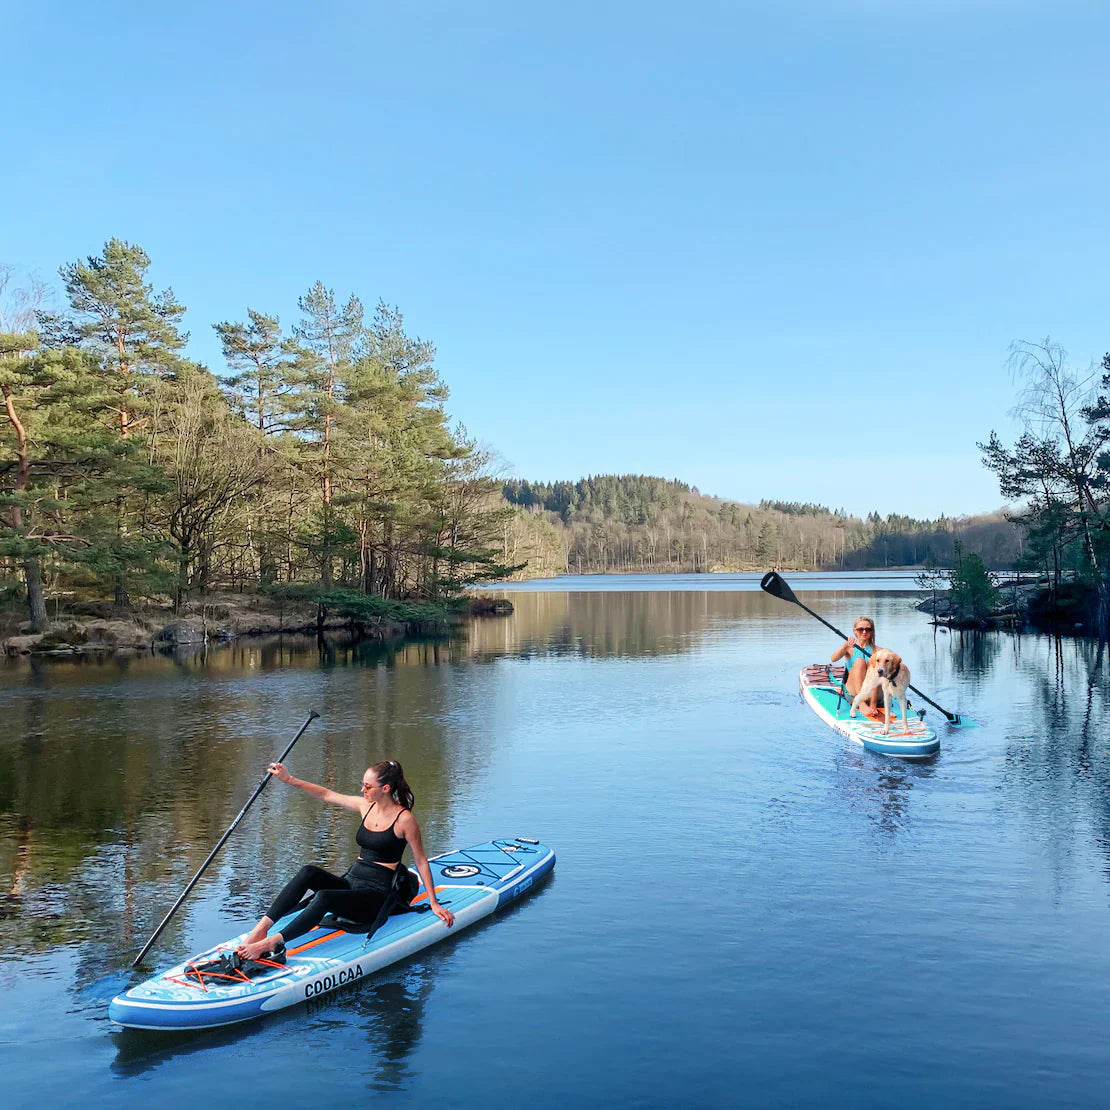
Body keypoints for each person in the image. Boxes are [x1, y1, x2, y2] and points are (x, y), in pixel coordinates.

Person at [236, 759, 454, 961]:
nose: (363, 790)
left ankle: (272, 942)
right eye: (363, 784)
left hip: (375, 895)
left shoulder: (404, 819)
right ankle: (261, 929)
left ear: (385, 789)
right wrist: (289, 779)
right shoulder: (365, 807)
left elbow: (421, 860)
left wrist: (434, 903)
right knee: (308, 872)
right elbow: (326, 794)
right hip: (353, 882)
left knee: (324, 897)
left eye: (368, 786)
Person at [831, 616, 880, 712]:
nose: (864, 632)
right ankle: (860, 702)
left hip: (873, 694)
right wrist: (845, 646)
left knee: (875, 663)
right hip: (853, 692)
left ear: (872, 631)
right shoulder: (849, 648)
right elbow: (833, 659)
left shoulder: (878, 651)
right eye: (861, 629)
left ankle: (873, 704)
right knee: (860, 661)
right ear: (855, 631)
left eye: (868, 629)